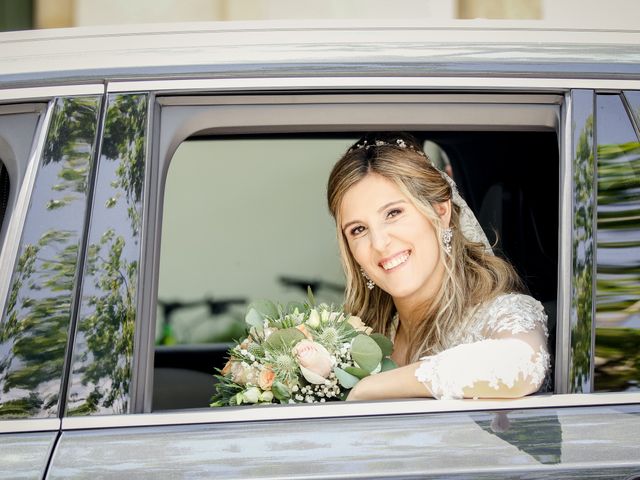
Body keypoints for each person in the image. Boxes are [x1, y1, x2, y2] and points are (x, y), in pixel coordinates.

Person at [326, 132, 550, 401]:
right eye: (359, 229)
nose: (380, 243)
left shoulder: (503, 314)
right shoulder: (364, 334)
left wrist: (368, 389)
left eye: (393, 213)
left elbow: (523, 364)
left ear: (441, 212)